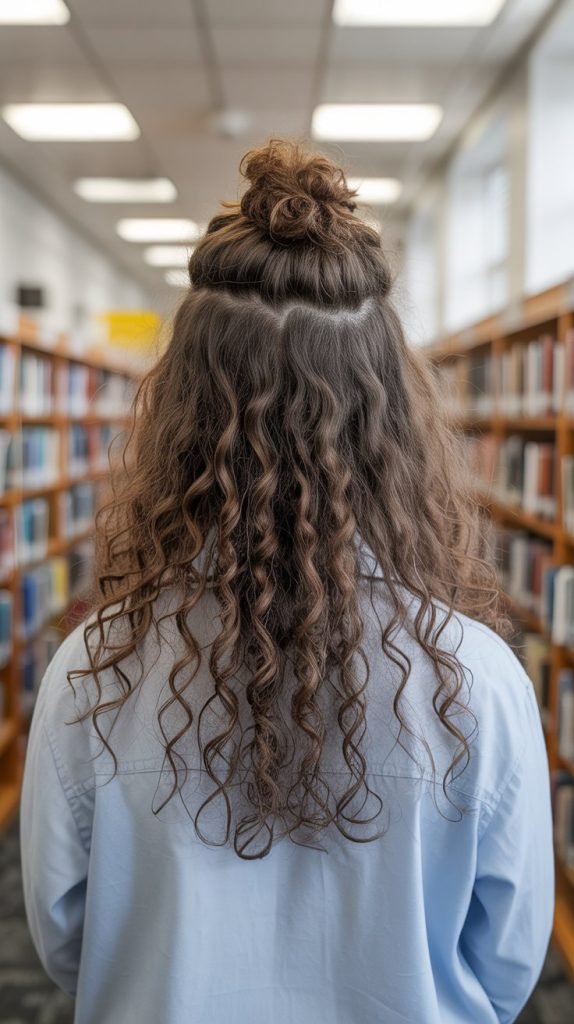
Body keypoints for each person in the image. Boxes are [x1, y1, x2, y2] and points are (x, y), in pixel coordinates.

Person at [20, 138, 554, 1024]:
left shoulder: (92, 673)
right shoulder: (477, 680)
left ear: (182, 418)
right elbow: (505, 965)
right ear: (390, 424)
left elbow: (67, 938)